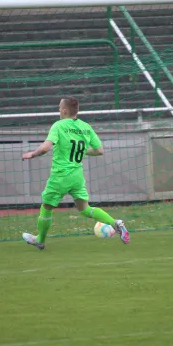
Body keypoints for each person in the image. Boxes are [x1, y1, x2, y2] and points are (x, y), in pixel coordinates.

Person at [21, 97, 130, 250]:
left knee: (46, 207)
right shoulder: (86, 127)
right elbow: (99, 151)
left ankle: (40, 239)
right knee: (85, 209)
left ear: (64, 110)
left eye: (59, 108)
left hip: (60, 176)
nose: (59, 110)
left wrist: (32, 154)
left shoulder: (58, 126)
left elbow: (46, 148)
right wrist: (83, 151)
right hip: (77, 176)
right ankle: (115, 223)